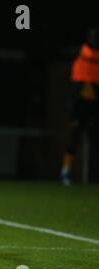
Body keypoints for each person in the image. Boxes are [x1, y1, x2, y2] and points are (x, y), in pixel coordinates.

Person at [60, 27, 99, 185]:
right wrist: (71, 107)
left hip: (95, 104)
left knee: (95, 139)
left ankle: (94, 174)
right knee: (74, 137)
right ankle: (65, 171)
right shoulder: (81, 53)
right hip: (80, 103)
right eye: (93, 37)